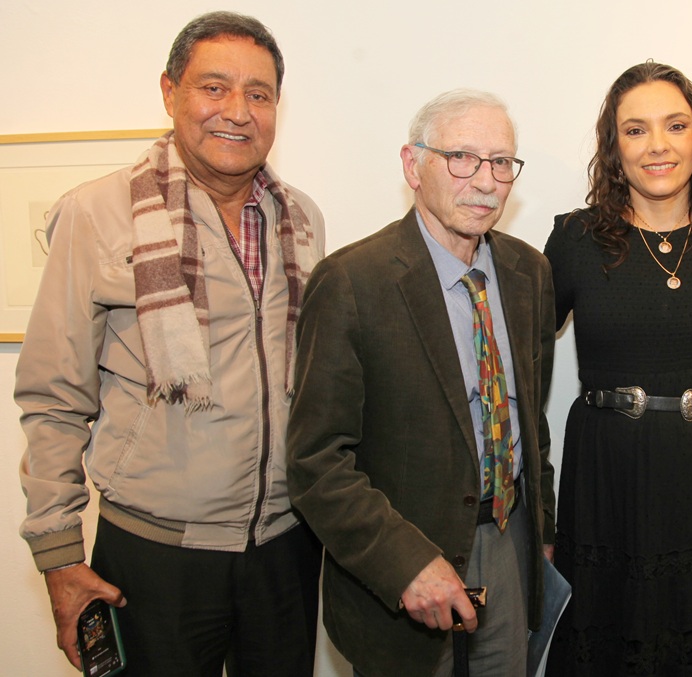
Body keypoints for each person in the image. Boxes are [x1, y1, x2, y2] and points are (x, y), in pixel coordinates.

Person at [15, 10, 325, 677]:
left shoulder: (301, 219)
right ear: (169, 92)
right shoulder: (97, 213)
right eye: (214, 87)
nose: (237, 111)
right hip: (154, 551)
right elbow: (53, 395)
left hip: (284, 544)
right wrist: (59, 551)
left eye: (259, 93)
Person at [286, 89, 556, 677]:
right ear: (413, 165)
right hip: (403, 571)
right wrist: (404, 563)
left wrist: (543, 535)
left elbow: (531, 426)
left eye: (502, 162)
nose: (485, 181)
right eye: (461, 157)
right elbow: (315, 461)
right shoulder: (353, 282)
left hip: (510, 549)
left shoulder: (528, 273)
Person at [544, 62, 692, 676]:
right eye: (636, 130)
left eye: (675, 125)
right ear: (614, 149)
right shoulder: (574, 241)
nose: (658, 145)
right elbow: (522, 367)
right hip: (606, 478)